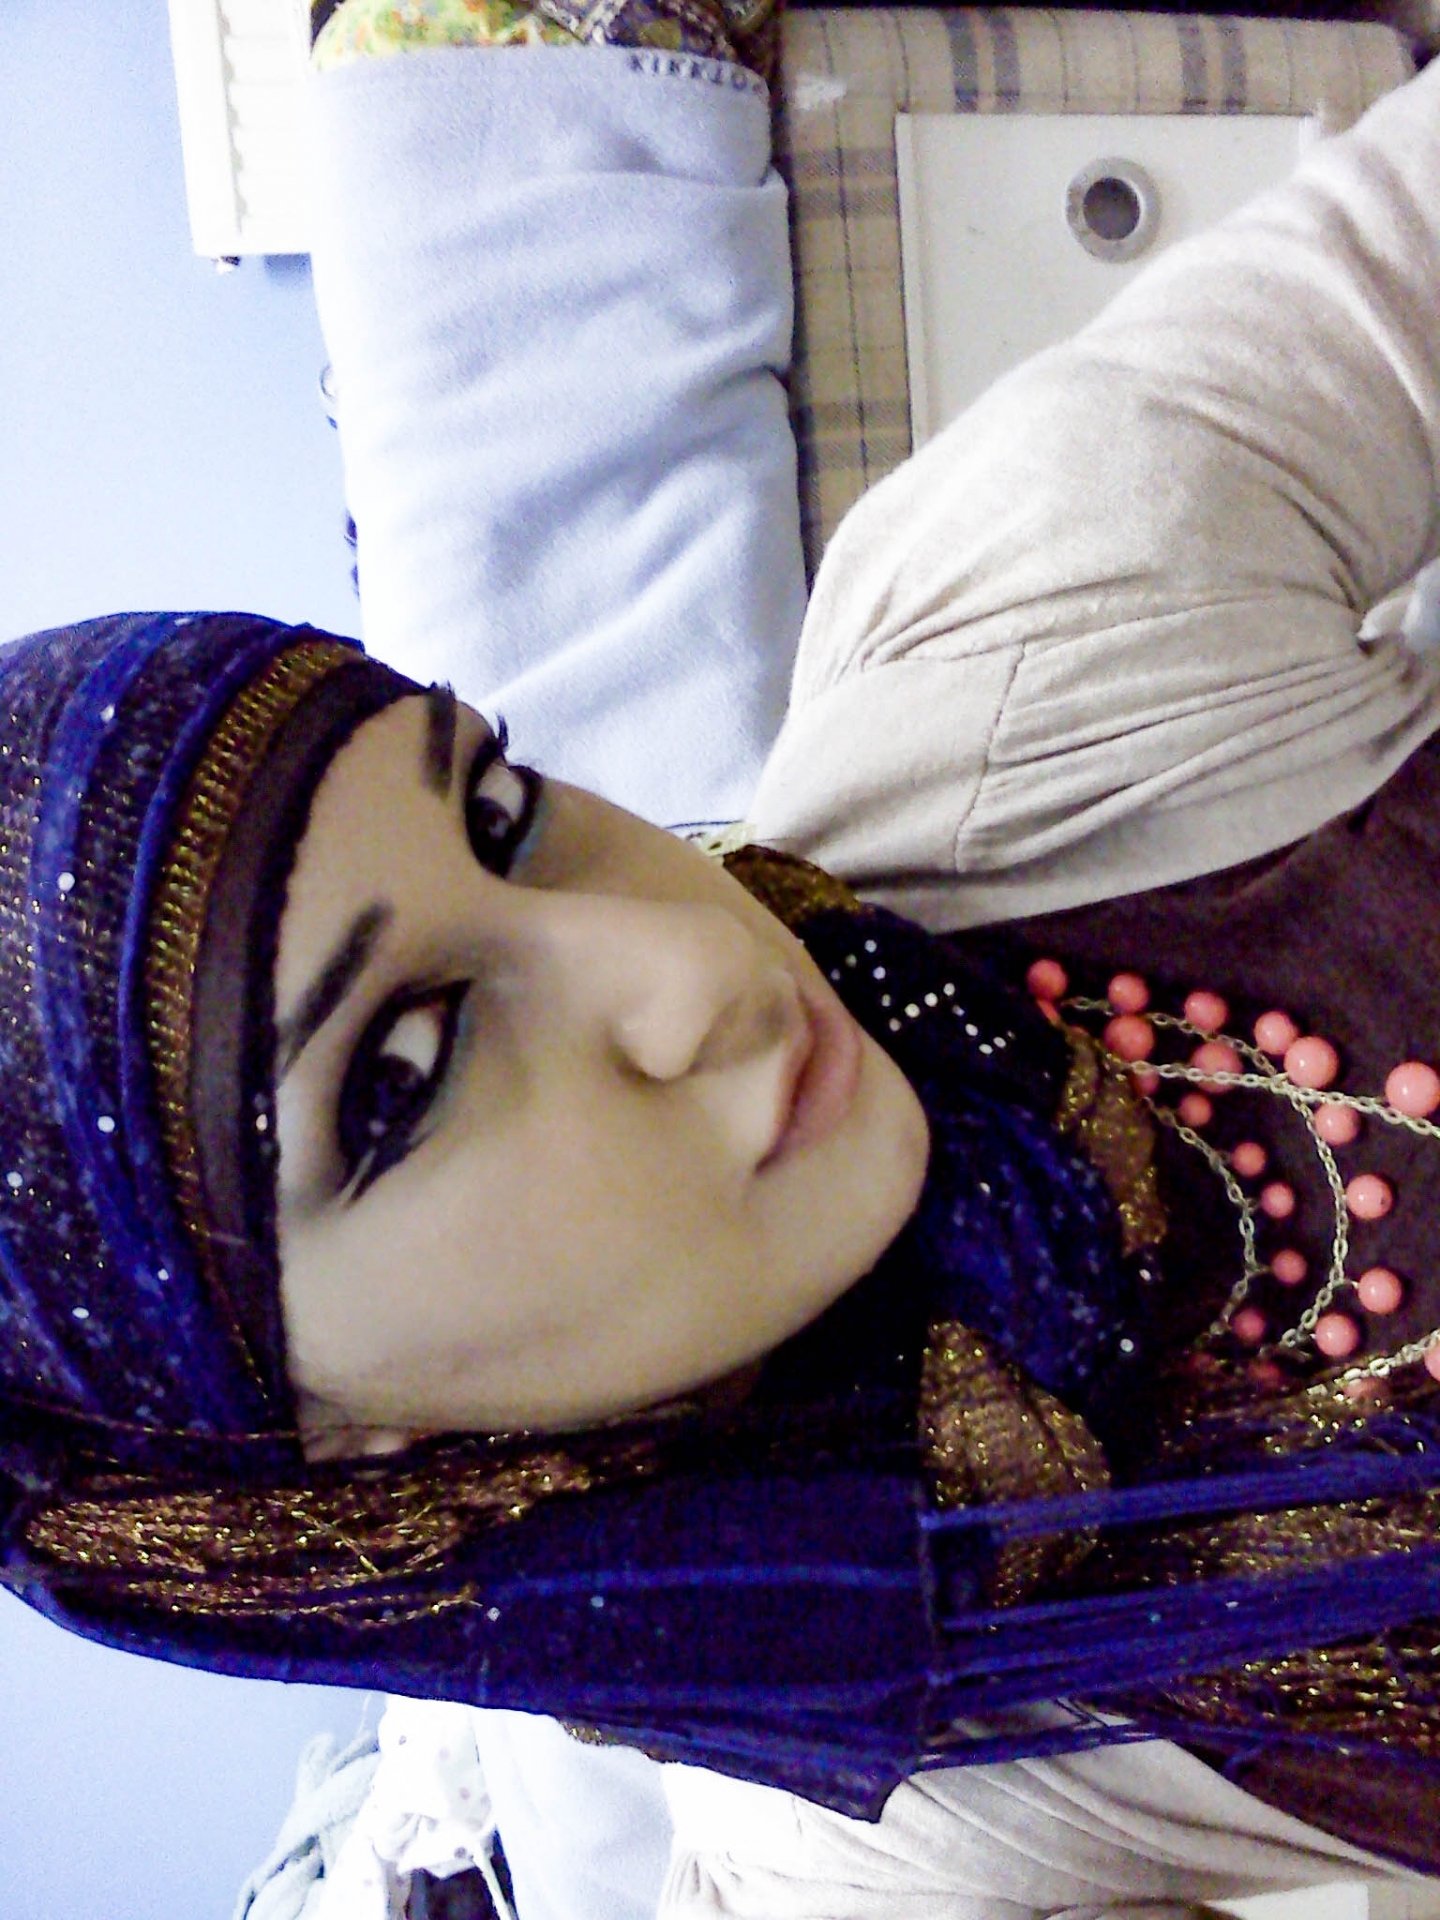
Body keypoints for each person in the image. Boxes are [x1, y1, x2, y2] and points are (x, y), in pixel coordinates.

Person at [5, 11, 1440, 1920]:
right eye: (407, 1078)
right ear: (322, 1460)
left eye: (499, 810)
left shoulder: (1010, 634)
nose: (690, 969)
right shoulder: (895, 1830)